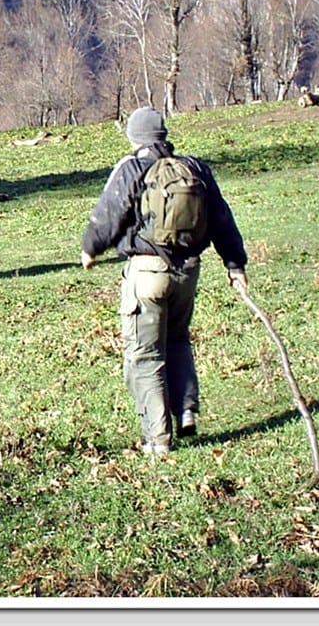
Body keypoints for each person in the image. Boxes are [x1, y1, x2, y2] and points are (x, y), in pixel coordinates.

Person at [80, 107, 247, 455]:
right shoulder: (195, 168)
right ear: (164, 135)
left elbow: (110, 212)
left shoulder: (132, 167)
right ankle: (185, 411)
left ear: (134, 136)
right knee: (178, 340)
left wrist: (90, 247)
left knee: (144, 355)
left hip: (147, 274)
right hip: (188, 272)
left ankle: (157, 439)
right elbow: (221, 217)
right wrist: (235, 265)